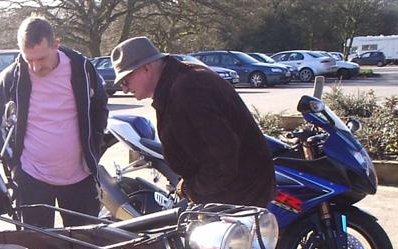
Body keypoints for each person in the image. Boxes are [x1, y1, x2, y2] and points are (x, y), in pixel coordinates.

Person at [111, 37, 275, 207]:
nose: (124, 89)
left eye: (125, 80)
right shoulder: (180, 80)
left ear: (146, 68)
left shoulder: (187, 90)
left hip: (239, 196)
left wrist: (190, 190)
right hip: (236, 190)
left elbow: (222, 158)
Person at [0, 16, 108, 227]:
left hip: (80, 178)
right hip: (31, 180)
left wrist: (93, 149)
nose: (35, 67)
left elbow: (100, 108)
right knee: (37, 244)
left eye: (41, 59)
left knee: (86, 243)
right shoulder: (11, 78)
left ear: (56, 45)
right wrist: (13, 163)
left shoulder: (82, 70)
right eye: (28, 59)